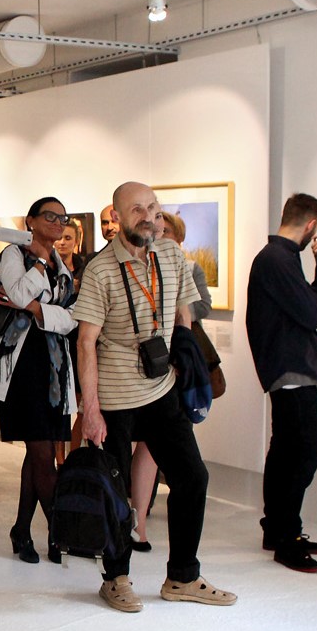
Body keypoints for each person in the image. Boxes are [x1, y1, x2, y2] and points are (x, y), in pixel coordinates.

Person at [71, 181, 235, 613]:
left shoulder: (171, 255)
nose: (148, 217)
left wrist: (180, 353)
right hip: (115, 396)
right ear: (117, 217)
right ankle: (116, 578)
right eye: (137, 210)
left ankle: (183, 576)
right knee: (116, 489)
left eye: (153, 208)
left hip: (162, 389)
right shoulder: (101, 270)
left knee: (192, 477)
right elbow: (85, 342)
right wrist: (90, 410)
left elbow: (184, 309)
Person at [0, 198, 77, 562]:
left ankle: (21, 530)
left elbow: (72, 318)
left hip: (54, 369)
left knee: (39, 456)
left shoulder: (62, 263)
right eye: (49, 216)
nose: (57, 222)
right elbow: (15, 293)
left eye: (62, 218)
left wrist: (35, 309)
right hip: (21, 368)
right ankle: (61, 531)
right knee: (42, 455)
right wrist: (40, 264)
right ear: (30, 220)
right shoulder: (14, 255)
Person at [246, 193, 317, 574]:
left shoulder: (278, 258)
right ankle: (285, 537)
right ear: (310, 225)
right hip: (291, 371)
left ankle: (280, 529)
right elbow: (314, 314)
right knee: (302, 453)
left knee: (286, 452)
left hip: (288, 369)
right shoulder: (278, 259)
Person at [126, 210, 211, 549]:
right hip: (140, 369)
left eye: (167, 233)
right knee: (141, 447)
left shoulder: (186, 267)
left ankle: (142, 524)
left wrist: (176, 309)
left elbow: (197, 307)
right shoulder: (132, 266)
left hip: (173, 365)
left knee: (171, 459)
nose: (161, 237)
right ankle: (135, 522)